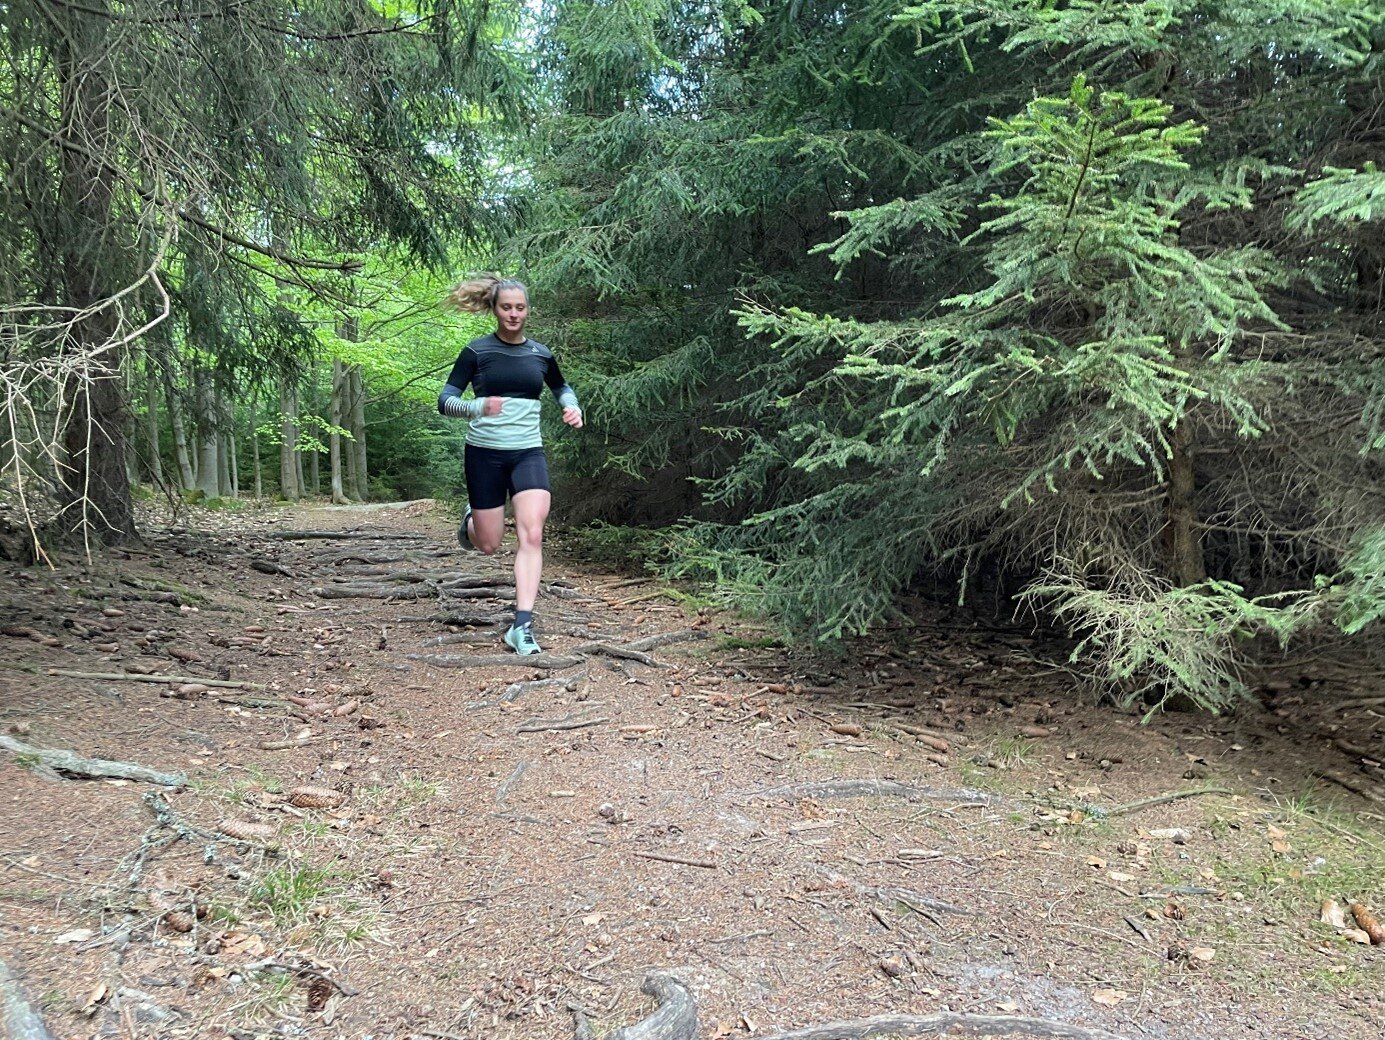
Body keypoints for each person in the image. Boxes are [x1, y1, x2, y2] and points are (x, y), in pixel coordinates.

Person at [438, 275, 583, 656]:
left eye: (520, 307)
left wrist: (572, 406)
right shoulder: (476, 352)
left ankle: (522, 625)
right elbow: (445, 400)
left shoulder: (540, 354)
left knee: (532, 533)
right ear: (494, 309)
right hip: (484, 454)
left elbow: (561, 387)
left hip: (527, 453)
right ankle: (472, 520)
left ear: (527, 310)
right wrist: (476, 406)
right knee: (488, 544)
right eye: (507, 307)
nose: (514, 314)